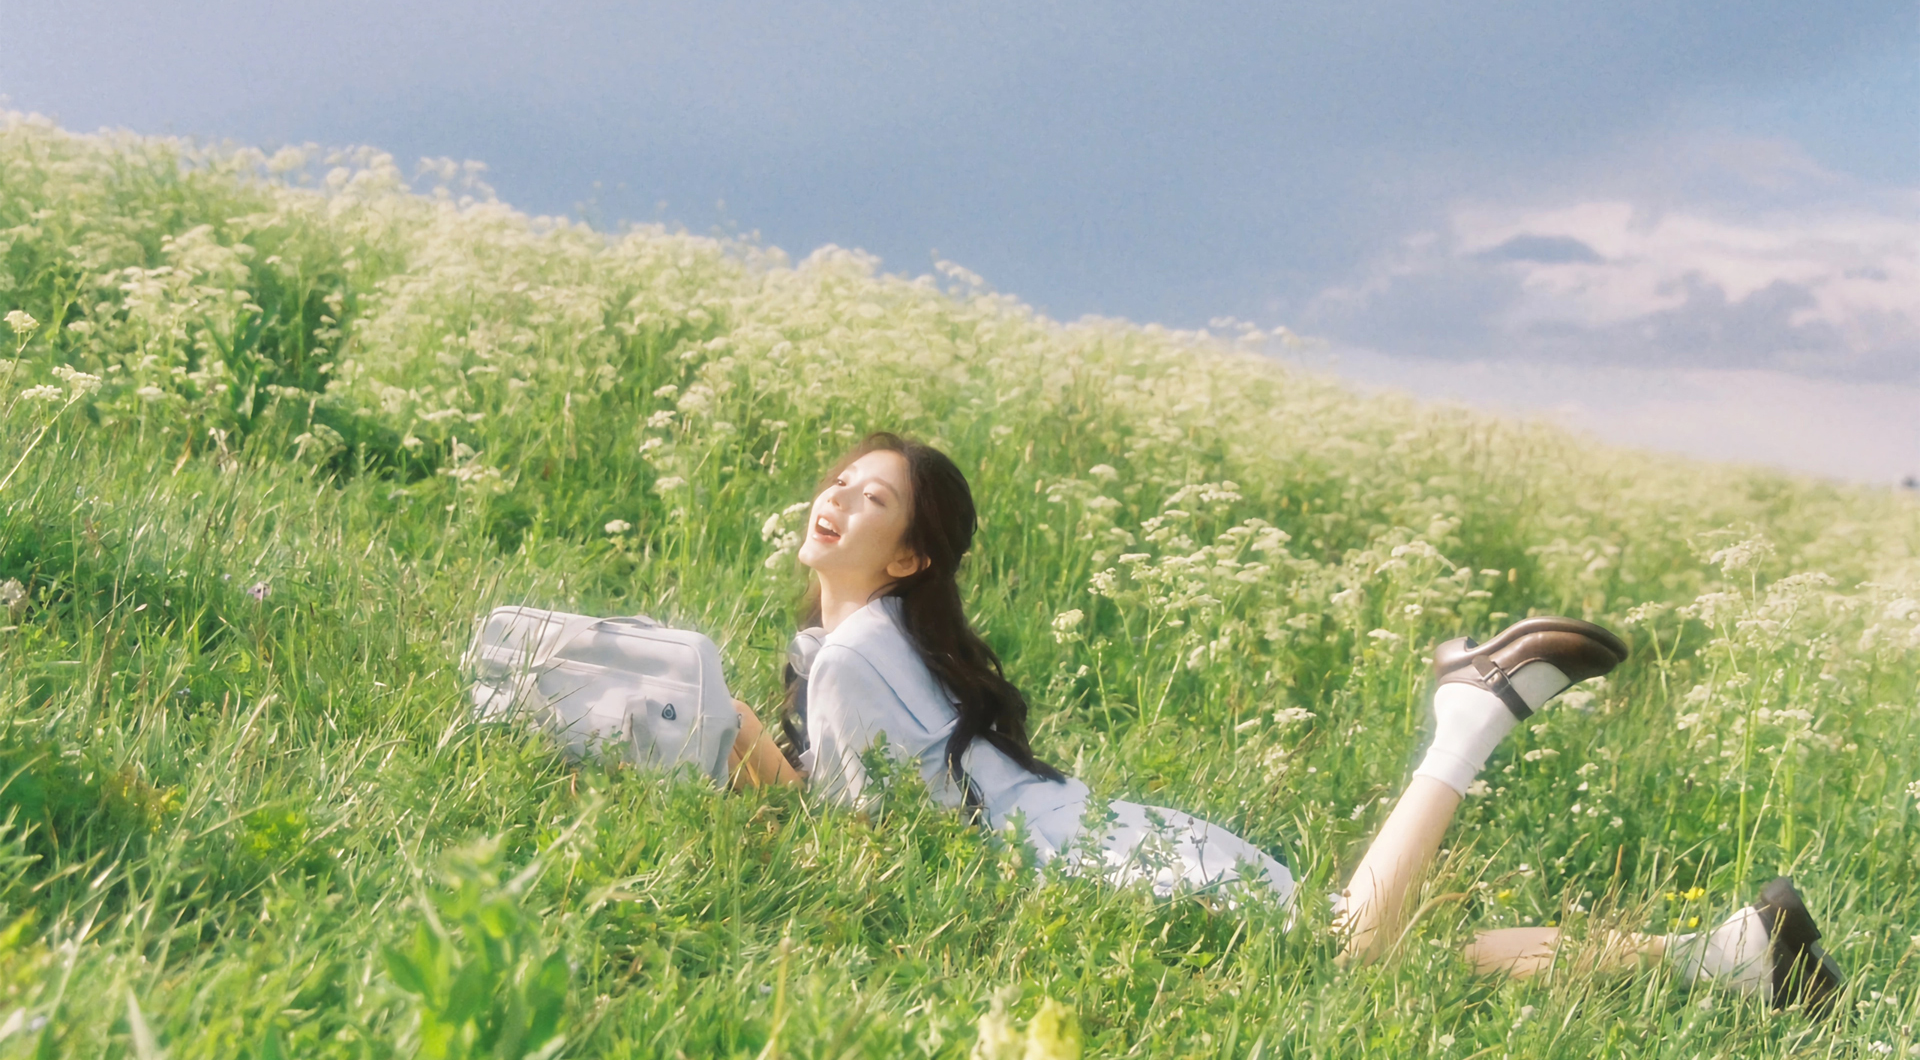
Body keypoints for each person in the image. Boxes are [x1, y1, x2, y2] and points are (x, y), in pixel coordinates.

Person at [722, 432, 1844, 1014]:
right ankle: (1729, 959)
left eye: (874, 498)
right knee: (1390, 949)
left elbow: (863, 850)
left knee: (1342, 948)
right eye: (839, 482)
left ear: (910, 554)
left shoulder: (851, 653)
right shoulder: (860, 646)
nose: (838, 500)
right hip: (1078, 836)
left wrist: (754, 761)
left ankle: (1470, 717)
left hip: (1058, 867)